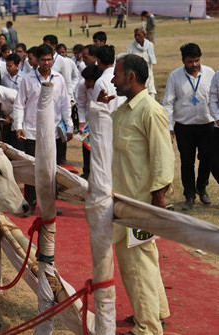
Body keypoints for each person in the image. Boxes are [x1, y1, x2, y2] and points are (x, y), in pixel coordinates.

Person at [110, 54, 173, 335]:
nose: (113, 79)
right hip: (124, 202)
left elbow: (163, 160)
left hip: (139, 205)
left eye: (117, 74)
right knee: (145, 260)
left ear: (131, 77)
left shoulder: (150, 110)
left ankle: (148, 327)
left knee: (136, 265)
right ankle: (157, 311)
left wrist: (157, 205)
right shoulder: (124, 111)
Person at [12, 44, 73, 211]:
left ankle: (49, 204)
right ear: (37, 61)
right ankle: (30, 203)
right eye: (43, 60)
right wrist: (18, 126)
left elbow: (65, 104)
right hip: (32, 131)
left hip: (53, 132)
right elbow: (19, 105)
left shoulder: (59, 78)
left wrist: (69, 126)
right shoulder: (27, 79)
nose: (47, 63)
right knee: (33, 169)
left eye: (49, 59)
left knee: (51, 169)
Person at [162, 43, 215, 210]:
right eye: (190, 61)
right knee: (187, 162)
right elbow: (168, 103)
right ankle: (189, 194)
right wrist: (169, 128)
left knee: (207, 159)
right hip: (184, 127)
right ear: (183, 60)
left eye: (197, 60)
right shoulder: (175, 76)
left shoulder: (210, 73)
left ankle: (202, 188)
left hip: (207, 125)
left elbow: (215, 98)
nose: (194, 65)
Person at [76, 44, 98, 179]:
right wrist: (82, 121)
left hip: (103, 119)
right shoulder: (82, 84)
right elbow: (81, 103)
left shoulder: (103, 80)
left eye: (86, 57)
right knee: (86, 146)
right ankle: (87, 171)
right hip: (89, 120)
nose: (83, 59)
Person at [126, 28, 157, 97]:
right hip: (137, 75)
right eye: (135, 35)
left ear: (144, 35)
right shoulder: (130, 46)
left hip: (148, 73)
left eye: (139, 35)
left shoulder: (150, 45)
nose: (137, 37)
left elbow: (152, 61)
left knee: (151, 92)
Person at [208, 71, 219, 196]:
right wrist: (217, 117)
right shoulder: (217, 75)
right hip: (218, 126)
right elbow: (213, 99)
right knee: (214, 163)